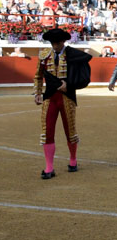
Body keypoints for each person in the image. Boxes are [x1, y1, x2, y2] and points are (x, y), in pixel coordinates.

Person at [34, 28, 91, 179]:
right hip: (50, 98)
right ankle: (49, 168)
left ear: (63, 41)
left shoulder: (73, 55)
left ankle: (73, 160)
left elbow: (83, 77)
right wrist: (38, 93)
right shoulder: (44, 55)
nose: (55, 46)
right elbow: (38, 76)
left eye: (57, 43)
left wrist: (69, 85)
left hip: (67, 97)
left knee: (70, 130)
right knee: (47, 131)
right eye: (52, 43)